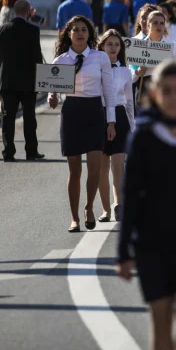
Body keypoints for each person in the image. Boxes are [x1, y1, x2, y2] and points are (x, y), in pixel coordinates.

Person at [116, 61, 176, 350]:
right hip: (151, 241)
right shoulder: (143, 136)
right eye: (166, 91)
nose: (173, 97)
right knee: (161, 315)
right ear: (154, 94)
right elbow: (130, 195)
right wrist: (123, 251)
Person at [48, 16, 117, 232]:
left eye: (84, 30)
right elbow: (53, 90)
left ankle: (89, 207)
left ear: (90, 34)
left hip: (95, 111)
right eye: (75, 30)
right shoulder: (60, 61)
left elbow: (109, 91)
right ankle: (74, 217)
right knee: (74, 169)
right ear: (69, 34)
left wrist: (111, 121)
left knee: (95, 167)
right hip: (72, 113)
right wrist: (52, 97)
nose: (80, 33)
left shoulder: (100, 58)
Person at [0, 0, 44, 161]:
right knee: (29, 117)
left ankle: (8, 151)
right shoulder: (33, 30)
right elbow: (37, 58)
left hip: (7, 81)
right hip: (28, 81)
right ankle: (31, 151)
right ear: (28, 12)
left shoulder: (1, 30)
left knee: (8, 118)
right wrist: (40, 80)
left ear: (14, 11)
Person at [96, 30, 135, 222]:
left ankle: (119, 204)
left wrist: (133, 126)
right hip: (99, 115)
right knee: (102, 167)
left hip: (120, 116)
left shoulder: (125, 71)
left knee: (118, 166)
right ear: (102, 46)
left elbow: (129, 102)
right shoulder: (95, 69)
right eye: (109, 44)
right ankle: (105, 210)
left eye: (116, 44)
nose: (113, 47)